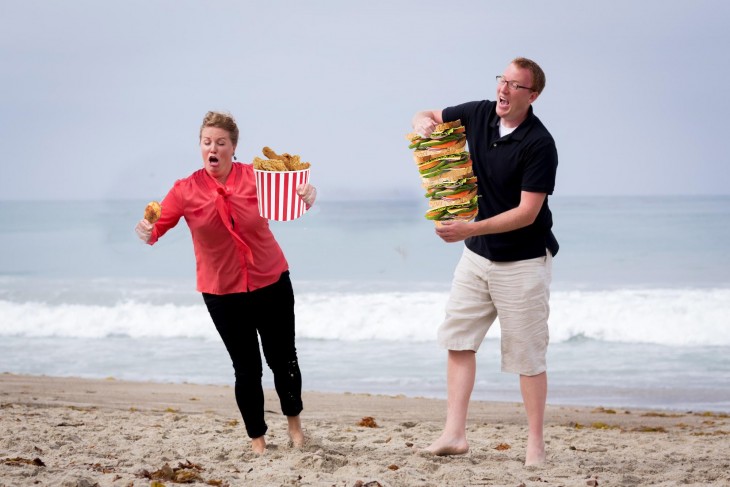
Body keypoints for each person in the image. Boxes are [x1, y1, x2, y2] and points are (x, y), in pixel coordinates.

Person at [134, 111, 317, 455]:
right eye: (207, 142)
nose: (212, 148)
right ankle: (258, 442)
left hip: (271, 280)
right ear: (200, 147)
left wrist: (308, 195)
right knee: (247, 368)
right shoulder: (184, 190)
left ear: (233, 147)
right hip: (221, 292)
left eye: (220, 142)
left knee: (283, 359)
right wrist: (146, 231)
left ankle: (295, 428)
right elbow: (156, 227)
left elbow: (294, 199)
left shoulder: (257, 177)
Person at [411, 57, 558, 466]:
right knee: (457, 340)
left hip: (524, 261)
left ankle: (535, 446)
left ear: (533, 96)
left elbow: (527, 213)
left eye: (515, 86)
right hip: (476, 259)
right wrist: (423, 123)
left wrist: (468, 230)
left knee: (527, 357)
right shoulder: (478, 113)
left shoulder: (539, 144)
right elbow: (426, 113)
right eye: (502, 80)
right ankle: (454, 434)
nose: (504, 90)